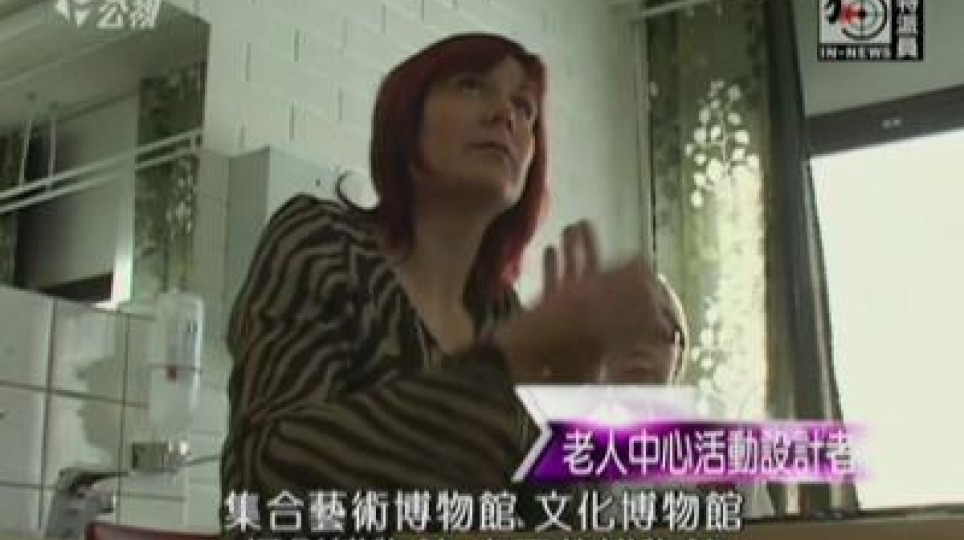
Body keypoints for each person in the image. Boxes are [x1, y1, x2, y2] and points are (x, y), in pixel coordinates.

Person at [219, 32, 677, 536]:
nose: (505, 115)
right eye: (472, 86)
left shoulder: (502, 314)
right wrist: (507, 362)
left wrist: (576, 411)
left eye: (524, 107)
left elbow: (549, 521)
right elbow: (263, 480)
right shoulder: (323, 244)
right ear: (406, 117)